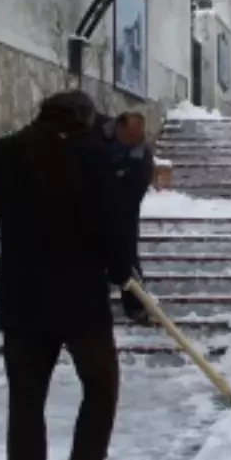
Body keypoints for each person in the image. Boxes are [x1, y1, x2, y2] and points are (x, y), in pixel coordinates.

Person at [0, 90, 135, 460]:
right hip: (81, 301)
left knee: (25, 403)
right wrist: (124, 276)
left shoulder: (4, 151)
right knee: (100, 383)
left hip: (22, 301)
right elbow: (112, 224)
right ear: (83, 118)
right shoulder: (94, 156)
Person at [94, 110, 154, 323]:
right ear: (118, 128)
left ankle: (136, 304)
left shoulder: (142, 153)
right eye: (130, 137)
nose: (134, 142)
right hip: (89, 207)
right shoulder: (95, 134)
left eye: (138, 137)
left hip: (123, 209)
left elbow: (137, 187)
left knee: (127, 256)